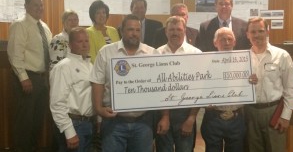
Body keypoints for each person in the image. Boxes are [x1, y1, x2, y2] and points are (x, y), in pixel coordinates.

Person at [90, 14, 158, 152]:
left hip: (143, 122)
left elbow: (160, 85)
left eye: (138, 30)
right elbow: (98, 82)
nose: (134, 34)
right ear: (121, 30)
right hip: (114, 122)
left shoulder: (152, 54)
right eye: (130, 29)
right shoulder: (106, 52)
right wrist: (99, 108)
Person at [244, 17, 293, 152]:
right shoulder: (242, 58)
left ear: (268, 32)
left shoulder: (282, 55)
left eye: (261, 31)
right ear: (247, 34)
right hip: (250, 113)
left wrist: (285, 116)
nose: (257, 35)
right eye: (253, 32)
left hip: (274, 112)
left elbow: (291, 89)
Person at [7, 0, 52, 152]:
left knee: (37, 121)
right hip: (27, 78)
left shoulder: (44, 27)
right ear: (26, 6)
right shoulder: (20, 25)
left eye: (41, 5)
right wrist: (23, 78)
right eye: (35, 5)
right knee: (24, 122)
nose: (40, 8)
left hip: (42, 79)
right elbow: (15, 54)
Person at [200, 27, 254, 152]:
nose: (227, 43)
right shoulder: (204, 63)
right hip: (213, 117)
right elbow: (199, 89)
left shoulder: (246, 61)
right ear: (215, 43)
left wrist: (253, 80)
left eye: (230, 39)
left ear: (234, 42)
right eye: (222, 39)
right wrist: (203, 102)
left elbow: (251, 86)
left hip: (237, 117)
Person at [155, 16, 201, 152]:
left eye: (179, 29)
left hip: (186, 114)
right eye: (172, 29)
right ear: (166, 32)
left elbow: (199, 89)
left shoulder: (196, 54)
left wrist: (192, 118)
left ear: (185, 30)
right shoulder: (156, 54)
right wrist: (165, 116)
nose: (175, 33)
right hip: (161, 113)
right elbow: (156, 89)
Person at [50, 27, 94, 152]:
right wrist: (69, 131)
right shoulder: (63, 67)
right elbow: (57, 103)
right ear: (70, 45)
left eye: (86, 41)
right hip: (73, 124)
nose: (84, 44)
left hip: (88, 123)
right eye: (80, 42)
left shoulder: (90, 65)